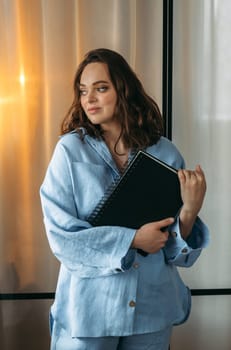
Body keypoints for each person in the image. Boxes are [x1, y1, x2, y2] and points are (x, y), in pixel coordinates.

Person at [40, 48, 209, 350]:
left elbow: (173, 252)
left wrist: (190, 212)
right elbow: (61, 238)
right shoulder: (69, 151)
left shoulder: (165, 153)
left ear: (124, 90)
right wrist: (133, 240)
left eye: (101, 88)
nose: (89, 99)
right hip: (89, 312)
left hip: (151, 309)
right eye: (83, 91)